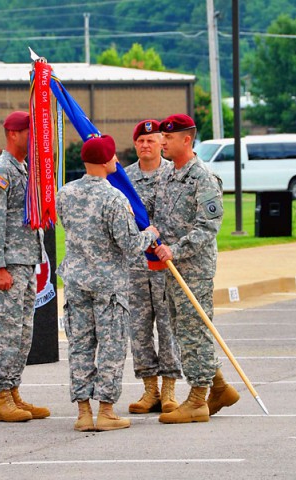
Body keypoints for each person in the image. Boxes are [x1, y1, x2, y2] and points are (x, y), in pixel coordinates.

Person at [56, 134, 160, 432]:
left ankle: (83, 412)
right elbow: (129, 245)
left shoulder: (65, 193)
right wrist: (150, 233)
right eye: (114, 156)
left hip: (76, 281)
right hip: (109, 285)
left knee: (80, 346)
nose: (117, 161)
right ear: (105, 161)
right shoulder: (115, 198)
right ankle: (106, 410)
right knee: (112, 347)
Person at [153, 114, 240, 423]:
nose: (163, 142)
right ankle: (219, 388)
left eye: (169, 137)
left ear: (186, 140)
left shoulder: (203, 176)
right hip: (171, 267)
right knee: (183, 331)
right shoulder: (167, 174)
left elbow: (208, 226)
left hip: (193, 267)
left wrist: (175, 249)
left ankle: (197, 400)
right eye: (162, 137)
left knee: (194, 331)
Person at [0, 111, 50, 422]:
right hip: (5, 264)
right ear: (13, 134)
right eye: (29, 132)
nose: (33, 138)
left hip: (24, 262)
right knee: (4, 332)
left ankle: (13, 391)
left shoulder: (23, 169)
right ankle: (1, 398)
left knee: (22, 332)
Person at [125, 120, 182, 414]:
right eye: (141, 141)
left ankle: (170, 388)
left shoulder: (173, 176)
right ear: (135, 145)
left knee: (168, 324)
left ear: (162, 142)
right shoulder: (124, 179)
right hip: (135, 267)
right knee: (139, 328)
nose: (146, 145)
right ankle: (150, 389)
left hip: (165, 263)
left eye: (151, 140)